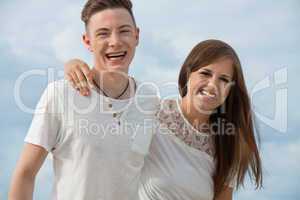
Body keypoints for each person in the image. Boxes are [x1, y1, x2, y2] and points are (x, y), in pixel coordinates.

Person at [64, 39, 263, 200]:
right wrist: (73, 65)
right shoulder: (149, 111)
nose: (212, 85)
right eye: (205, 73)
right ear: (188, 73)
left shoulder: (227, 144)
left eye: (224, 79)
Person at [9, 0, 159, 200]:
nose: (115, 41)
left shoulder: (151, 100)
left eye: (124, 31)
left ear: (136, 36)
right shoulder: (60, 94)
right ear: (87, 41)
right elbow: (25, 173)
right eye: (103, 33)